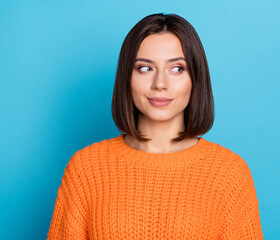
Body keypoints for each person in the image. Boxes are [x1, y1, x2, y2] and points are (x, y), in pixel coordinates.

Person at [47, 13, 263, 239]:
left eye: (177, 69)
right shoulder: (86, 169)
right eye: (145, 68)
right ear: (126, 77)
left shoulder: (229, 173)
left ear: (196, 78)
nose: (160, 84)